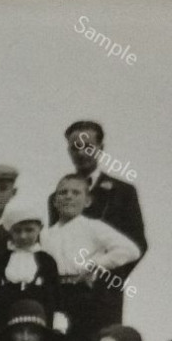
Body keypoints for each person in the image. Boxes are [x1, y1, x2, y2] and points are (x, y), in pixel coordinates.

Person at [42, 174, 140, 341]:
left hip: (84, 296)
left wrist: (96, 266)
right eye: (63, 193)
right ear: (54, 201)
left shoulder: (93, 227)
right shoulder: (45, 235)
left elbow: (130, 250)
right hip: (55, 296)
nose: (68, 196)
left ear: (87, 201)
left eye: (75, 192)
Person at [64, 120, 147, 323]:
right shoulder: (58, 197)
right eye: (76, 148)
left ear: (101, 149)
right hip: (67, 297)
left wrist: (109, 281)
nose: (82, 153)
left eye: (88, 147)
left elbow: (138, 244)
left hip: (105, 299)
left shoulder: (123, 192)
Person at [0, 202, 60, 337]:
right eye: (17, 230)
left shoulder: (47, 260)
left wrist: (56, 324)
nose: (23, 236)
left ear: (39, 229)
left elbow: (55, 295)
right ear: (10, 231)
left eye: (29, 230)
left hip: (40, 319)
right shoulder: (1, 261)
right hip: (6, 320)